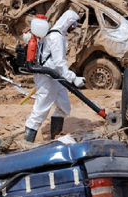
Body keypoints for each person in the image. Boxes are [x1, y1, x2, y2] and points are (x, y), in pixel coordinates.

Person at [24, 10, 85, 143]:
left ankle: (55, 138)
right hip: (48, 78)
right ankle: (26, 143)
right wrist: (73, 78)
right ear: (68, 22)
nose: (74, 27)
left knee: (63, 106)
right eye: (73, 24)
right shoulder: (56, 37)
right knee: (40, 111)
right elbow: (59, 62)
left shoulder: (57, 34)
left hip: (55, 77)